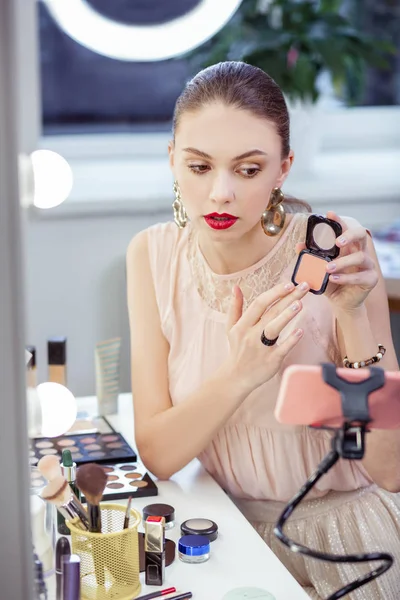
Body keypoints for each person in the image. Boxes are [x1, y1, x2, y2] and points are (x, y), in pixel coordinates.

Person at [126, 61, 400, 599]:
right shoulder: (152, 256)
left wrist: (351, 313)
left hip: (344, 545)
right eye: (199, 166)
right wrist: (240, 374)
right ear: (172, 161)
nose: (221, 193)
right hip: (219, 539)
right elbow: (159, 452)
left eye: (249, 170)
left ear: (283, 169)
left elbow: (390, 468)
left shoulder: (336, 257)